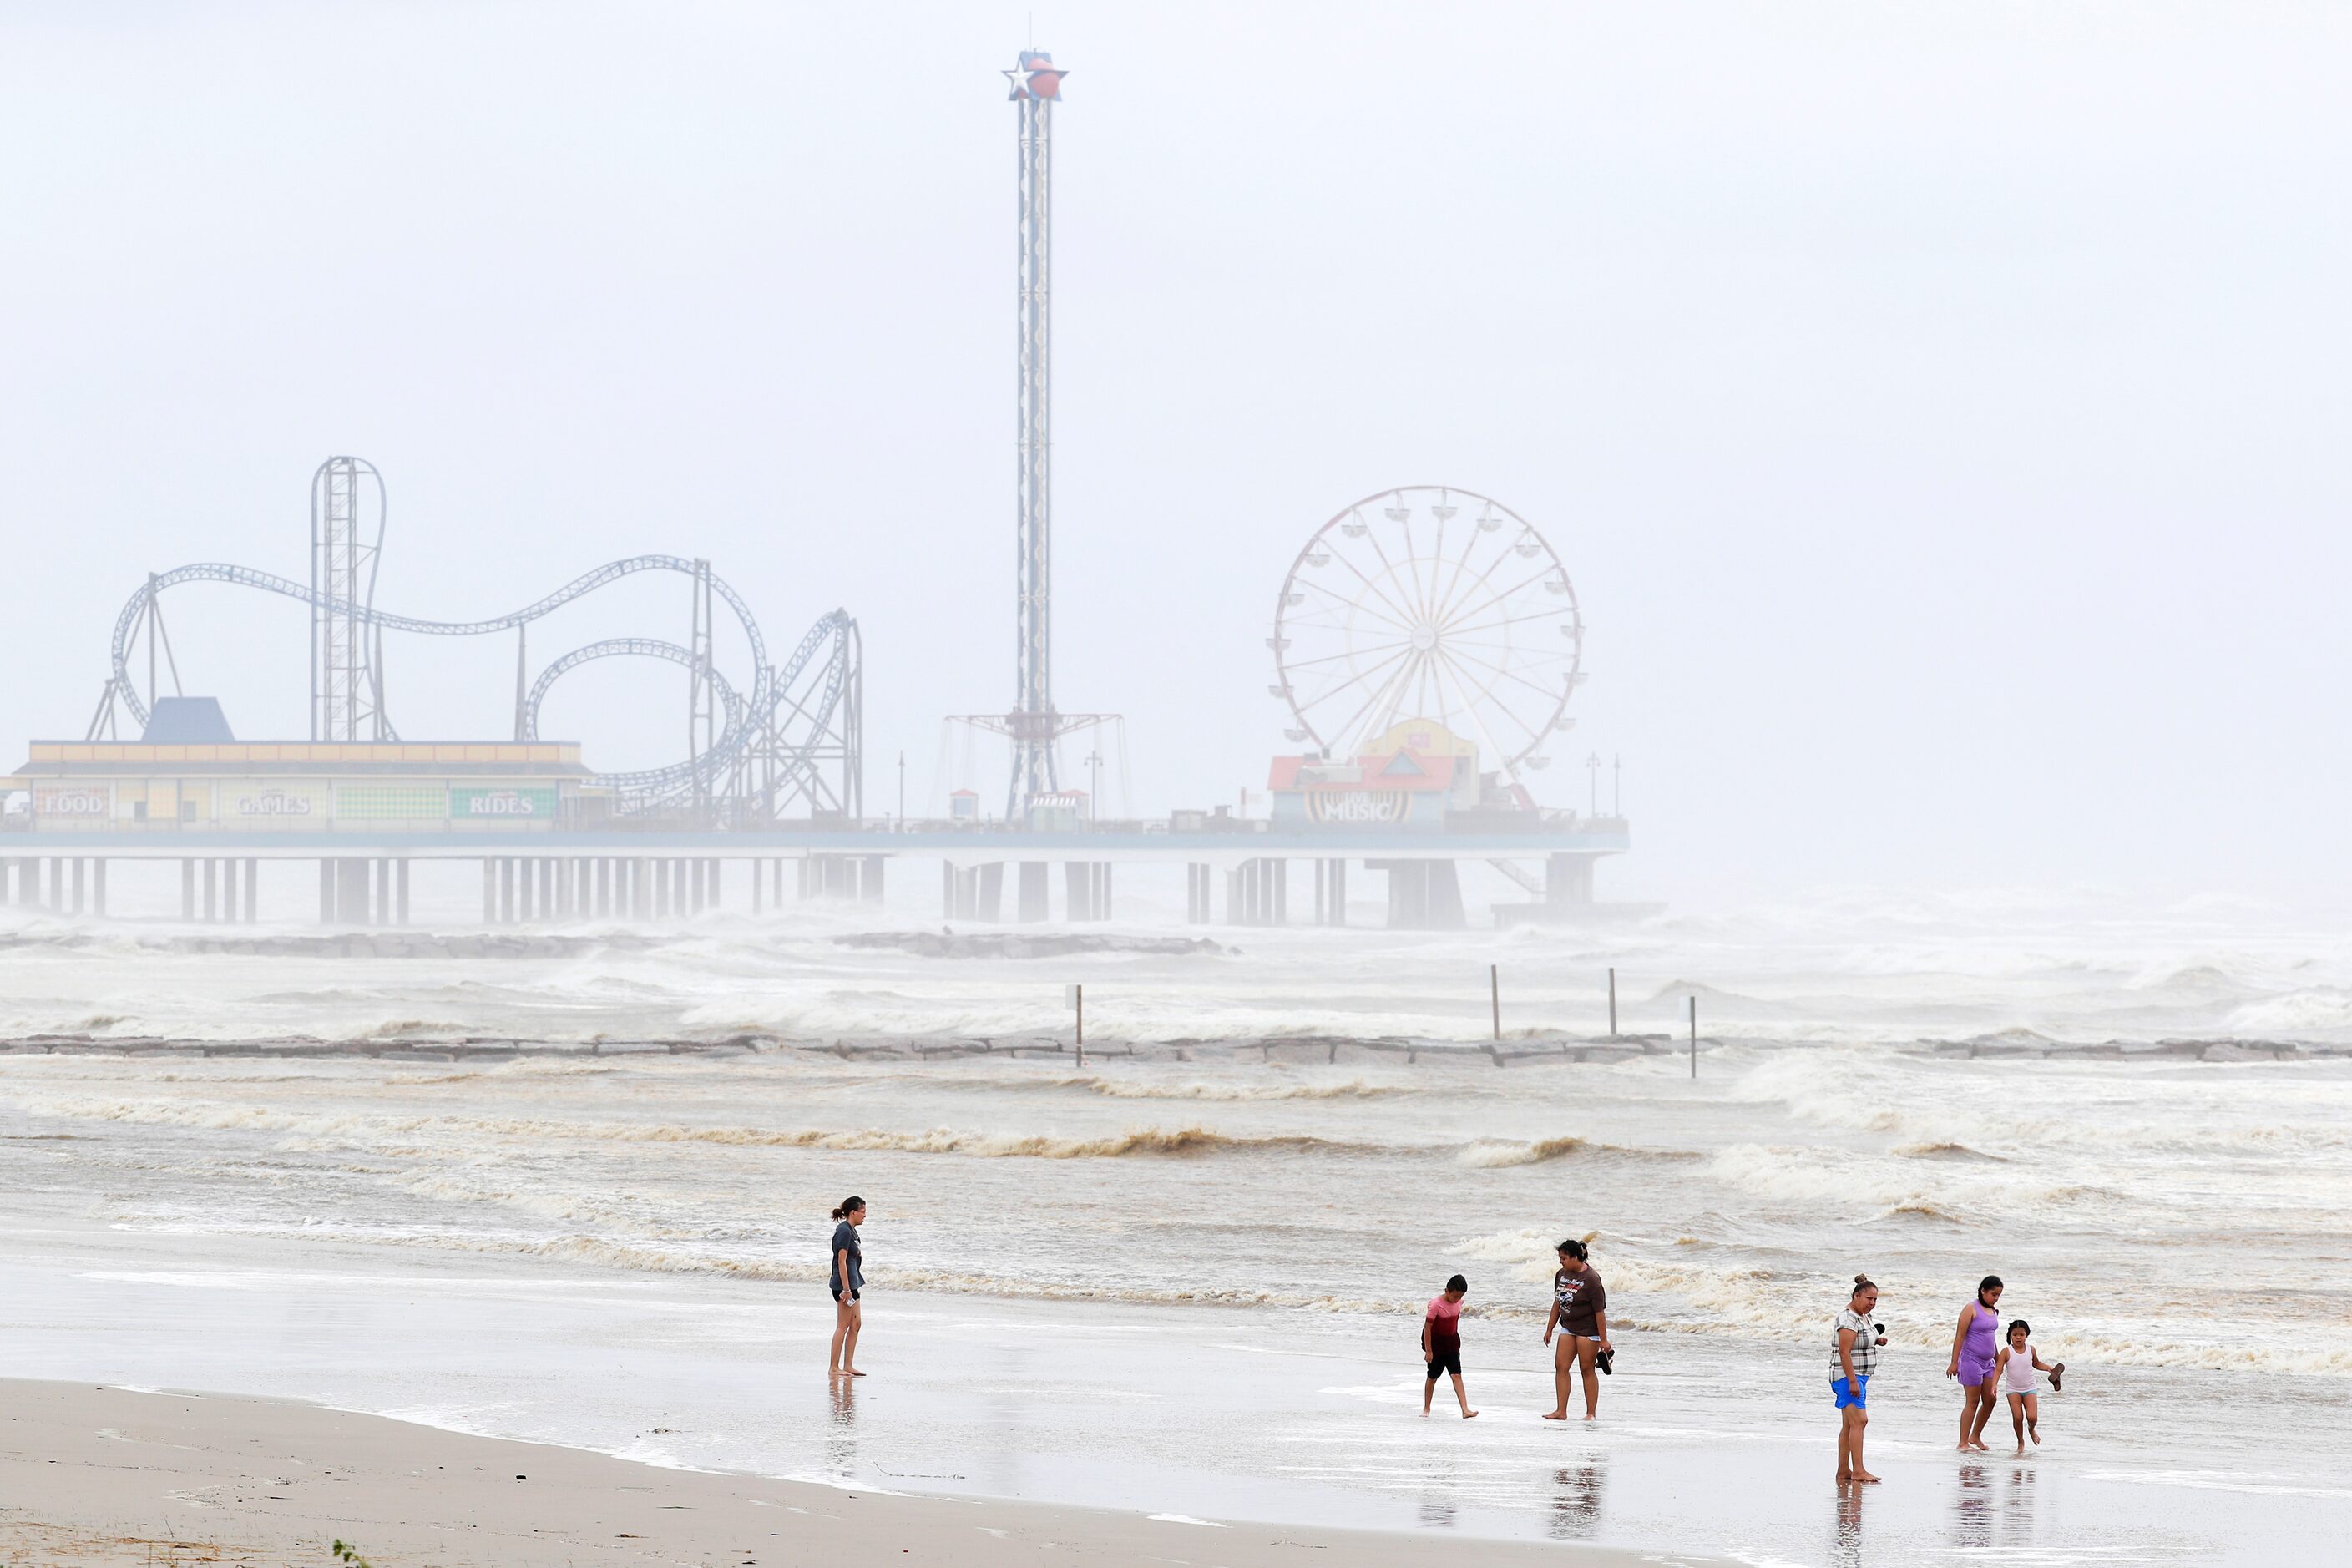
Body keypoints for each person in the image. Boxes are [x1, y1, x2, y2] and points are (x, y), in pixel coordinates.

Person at [1542, 1237, 1611, 1421]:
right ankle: (1561, 1411)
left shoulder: (1592, 1280)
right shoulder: (1561, 1274)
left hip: (1588, 1331)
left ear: (1574, 1257)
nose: (1560, 1261)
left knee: (1586, 1369)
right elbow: (1557, 1302)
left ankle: (1591, 1413)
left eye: (1563, 1258)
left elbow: (1600, 1313)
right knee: (1561, 1366)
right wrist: (1550, 1329)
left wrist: (1603, 1340)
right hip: (1568, 1327)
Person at [1834, 1274, 1887, 1484]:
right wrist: (1853, 1381)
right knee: (1860, 1421)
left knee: (1849, 1424)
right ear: (1857, 1296)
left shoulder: (1864, 1316)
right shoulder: (1848, 1318)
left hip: (1859, 1376)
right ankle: (1858, 1471)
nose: (1872, 1303)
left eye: (1875, 1300)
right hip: (1848, 1376)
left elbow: (1862, 1339)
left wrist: (1877, 1340)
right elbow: (1844, 1352)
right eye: (1868, 1299)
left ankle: (1843, 1471)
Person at [1945, 1275, 2004, 1451]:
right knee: (1973, 1401)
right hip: (1971, 1361)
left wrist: (1998, 1358)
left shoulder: (1993, 1311)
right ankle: (1962, 1443)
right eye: (1993, 1294)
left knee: (1991, 1399)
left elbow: (1990, 1337)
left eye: (1999, 1295)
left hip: (1988, 1363)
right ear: (1983, 1291)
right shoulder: (1971, 1309)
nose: (1996, 1298)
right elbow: (1960, 1336)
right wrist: (1954, 1362)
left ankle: (1975, 1436)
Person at [1995, 1319, 2064, 1452]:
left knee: (2032, 1418)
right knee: (2018, 1417)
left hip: (2029, 1388)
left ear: (2027, 1335)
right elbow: (1998, 1369)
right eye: (2015, 1335)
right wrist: (1994, 1385)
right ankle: (2020, 1442)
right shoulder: (2006, 1351)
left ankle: (2031, 1429)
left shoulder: (2031, 1350)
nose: (2018, 1337)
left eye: (2022, 1334)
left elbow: (2036, 1363)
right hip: (2013, 1389)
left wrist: (2048, 1368)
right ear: (2010, 1335)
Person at [1421, 1274, 1479, 1419]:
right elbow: (1427, 1328)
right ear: (1447, 1291)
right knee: (1432, 1377)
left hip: (1452, 1343)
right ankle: (1426, 1408)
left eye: (1460, 1297)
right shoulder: (1435, 1305)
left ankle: (1465, 1410)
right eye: (1455, 1297)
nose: (1457, 1300)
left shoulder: (1459, 1302)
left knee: (1457, 1375)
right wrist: (1429, 1351)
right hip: (1436, 1345)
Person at [827, 1196, 867, 1378]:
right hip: (844, 1286)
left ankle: (848, 1365)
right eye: (863, 1212)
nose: (865, 1216)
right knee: (842, 1326)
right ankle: (834, 1368)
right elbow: (841, 1262)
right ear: (853, 1212)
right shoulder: (843, 1231)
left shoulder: (852, 1231)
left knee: (856, 1324)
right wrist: (845, 1289)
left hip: (853, 1283)